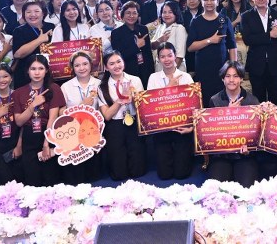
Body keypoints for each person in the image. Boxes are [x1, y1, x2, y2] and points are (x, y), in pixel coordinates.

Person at [13, 54, 65, 186]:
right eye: (33, 69)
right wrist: (32, 105)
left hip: (48, 134)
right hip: (29, 136)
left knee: (50, 179)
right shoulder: (18, 92)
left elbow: (53, 118)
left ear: (46, 70)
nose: (37, 73)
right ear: (27, 70)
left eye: (41, 68)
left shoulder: (54, 88)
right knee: (32, 179)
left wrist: (46, 143)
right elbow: (19, 122)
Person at [146, 43, 195, 180]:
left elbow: (194, 104)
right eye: (162, 56)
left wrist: (191, 127)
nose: (166, 59)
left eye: (169, 55)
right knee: (164, 175)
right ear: (158, 59)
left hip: (182, 127)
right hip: (162, 128)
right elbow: (150, 105)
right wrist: (169, 87)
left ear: (175, 56)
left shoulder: (186, 77)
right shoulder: (153, 78)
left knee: (182, 174)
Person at [207, 61, 260, 186]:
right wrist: (228, 114)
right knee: (216, 189)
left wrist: (249, 149)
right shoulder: (214, 100)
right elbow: (211, 132)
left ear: (241, 79)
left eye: (235, 76)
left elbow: (257, 134)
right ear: (223, 79)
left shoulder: (252, 101)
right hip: (222, 155)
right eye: (228, 76)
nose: (231, 80)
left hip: (245, 155)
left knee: (247, 188)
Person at [98, 51, 146, 181]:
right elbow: (107, 116)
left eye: (119, 61)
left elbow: (143, 108)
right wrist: (120, 100)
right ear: (106, 67)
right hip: (114, 126)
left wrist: (134, 97)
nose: (116, 66)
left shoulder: (135, 80)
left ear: (123, 62)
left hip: (134, 122)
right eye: (112, 64)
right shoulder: (102, 87)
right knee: (119, 174)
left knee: (138, 171)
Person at [241, 0, 277, 104]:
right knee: (258, 102)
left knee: (276, 102)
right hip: (256, 66)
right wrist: (269, 35)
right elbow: (248, 39)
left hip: (276, 66)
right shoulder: (246, 16)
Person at [187, 0, 238, 107]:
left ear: (217, 1)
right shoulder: (196, 21)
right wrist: (210, 40)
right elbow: (190, 47)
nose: (209, 3)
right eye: (206, 0)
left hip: (222, 67)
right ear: (201, 2)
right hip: (203, 68)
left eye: (212, 0)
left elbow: (232, 45)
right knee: (205, 100)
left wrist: (233, 67)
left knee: (223, 100)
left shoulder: (224, 19)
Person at [60, 51, 102, 184]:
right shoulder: (66, 86)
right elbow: (61, 112)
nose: (82, 68)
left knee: (95, 176)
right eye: (77, 65)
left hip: (95, 132)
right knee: (77, 176)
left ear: (90, 65)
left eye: (85, 64)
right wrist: (81, 106)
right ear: (72, 68)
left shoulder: (99, 84)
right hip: (73, 133)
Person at [12, 0, 55, 89]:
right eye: (28, 12)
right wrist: (39, 40)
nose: (32, 15)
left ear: (43, 13)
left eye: (36, 11)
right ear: (24, 14)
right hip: (25, 76)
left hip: (48, 74)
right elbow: (18, 54)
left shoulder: (51, 27)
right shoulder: (19, 31)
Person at [111, 1, 155, 87]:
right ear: (122, 15)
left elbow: (148, 53)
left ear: (138, 15)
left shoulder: (143, 29)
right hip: (128, 72)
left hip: (145, 71)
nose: (131, 16)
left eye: (134, 13)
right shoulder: (116, 33)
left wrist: (152, 73)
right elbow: (119, 56)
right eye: (128, 13)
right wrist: (136, 47)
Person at [151, 0, 188, 71]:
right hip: (159, 69)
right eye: (164, 12)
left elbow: (179, 56)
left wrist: (170, 73)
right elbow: (152, 46)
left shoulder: (179, 28)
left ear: (176, 13)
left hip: (175, 70)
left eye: (170, 12)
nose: (167, 15)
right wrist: (159, 40)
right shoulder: (161, 27)